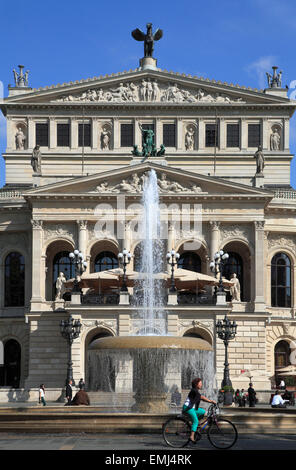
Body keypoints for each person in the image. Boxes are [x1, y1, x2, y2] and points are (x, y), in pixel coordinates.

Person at [182, 377, 216, 445]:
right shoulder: (194, 390)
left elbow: (201, 398)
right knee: (196, 421)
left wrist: (210, 402)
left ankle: (195, 426)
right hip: (187, 408)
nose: (201, 384)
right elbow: (201, 397)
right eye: (200, 383)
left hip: (192, 408)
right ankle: (191, 436)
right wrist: (211, 401)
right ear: (196, 384)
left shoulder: (196, 391)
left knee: (203, 412)